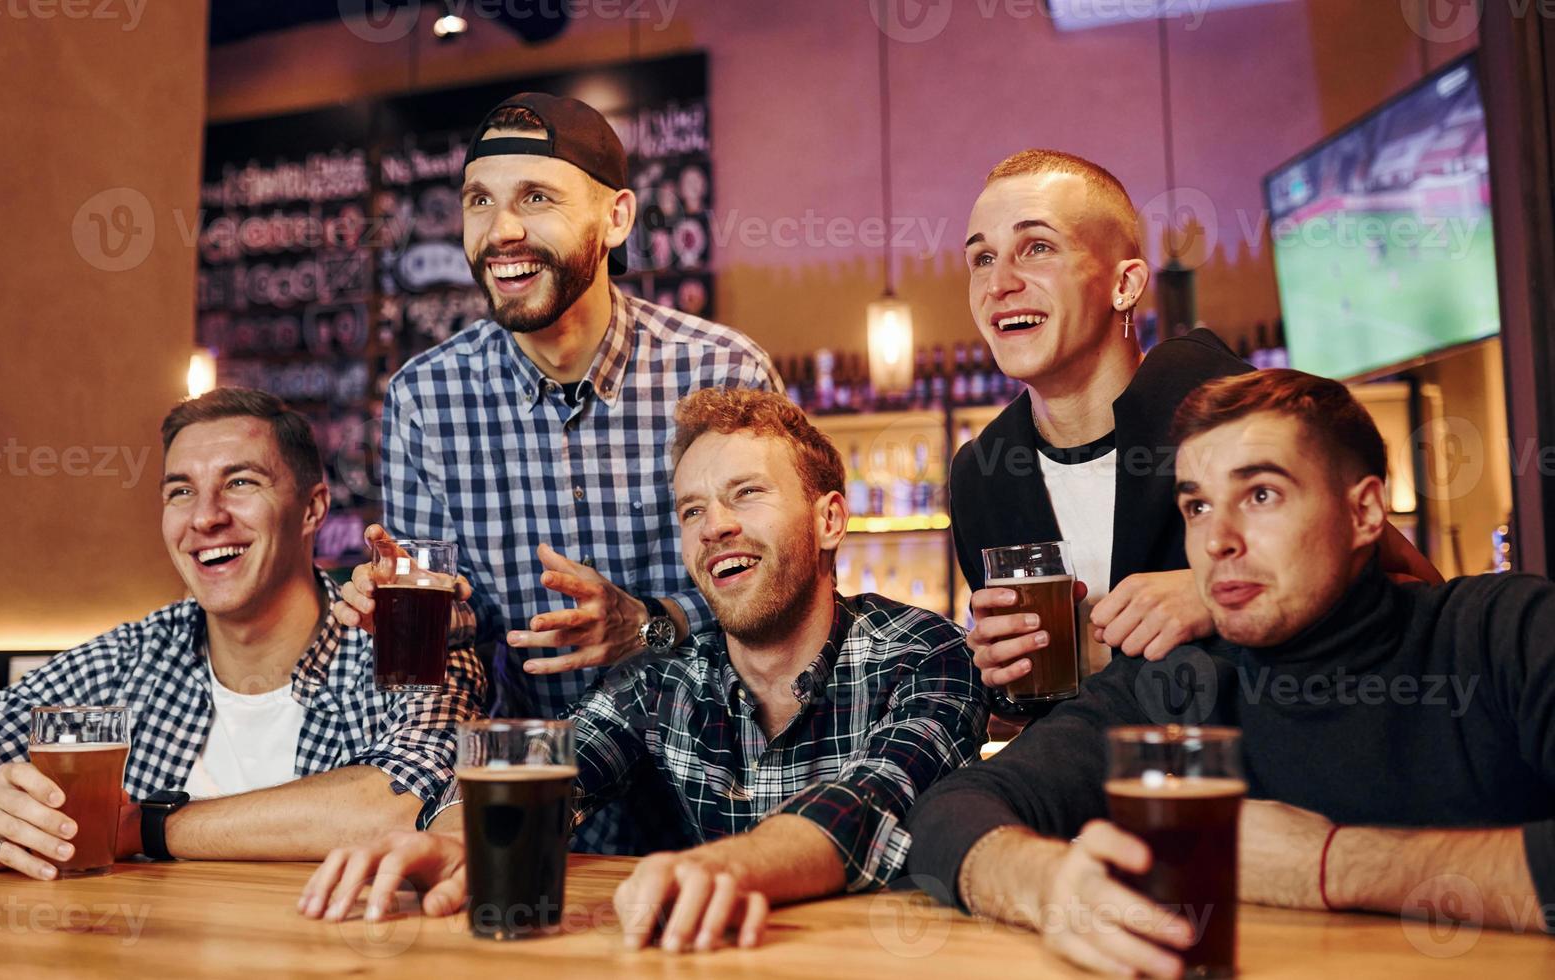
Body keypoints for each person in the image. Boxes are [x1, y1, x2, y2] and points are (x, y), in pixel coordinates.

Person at [907, 369, 1555, 978]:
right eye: (1196, 508)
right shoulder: (1173, 688)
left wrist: (1332, 867)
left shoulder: (1503, 633)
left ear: (1364, 513)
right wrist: (1046, 882)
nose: (1217, 541)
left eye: (1261, 494)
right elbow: (948, 813)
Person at [300, 389, 988, 952]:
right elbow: (556, 765)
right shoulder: (665, 678)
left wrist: (720, 868)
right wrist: (457, 840)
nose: (714, 525)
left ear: (830, 519)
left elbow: (866, 805)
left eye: (746, 494)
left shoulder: (925, 654)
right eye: (693, 509)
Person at [331, 92, 779, 854]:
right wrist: (409, 617)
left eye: (535, 198)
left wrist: (643, 625)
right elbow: (452, 648)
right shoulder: (423, 398)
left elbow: (786, 596)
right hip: (534, 810)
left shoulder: (721, 372)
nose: (501, 231)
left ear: (617, 219)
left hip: (721, 800)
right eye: (479, 201)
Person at [952, 149, 1438, 715]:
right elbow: (1033, 708)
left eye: (1037, 247)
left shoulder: (1236, 409)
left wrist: (1222, 594)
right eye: (982, 259)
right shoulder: (982, 474)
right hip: (1097, 788)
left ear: (1125, 284)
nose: (999, 283)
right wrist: (998, 674)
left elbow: (1419, 593)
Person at [0, 388, 487, 880]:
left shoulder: (406, 644)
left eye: (240, 482)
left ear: (312, 509)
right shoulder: (130, 658)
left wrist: (144, 827)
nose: (205, 517)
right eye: (181, 491)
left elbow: (410, 805)